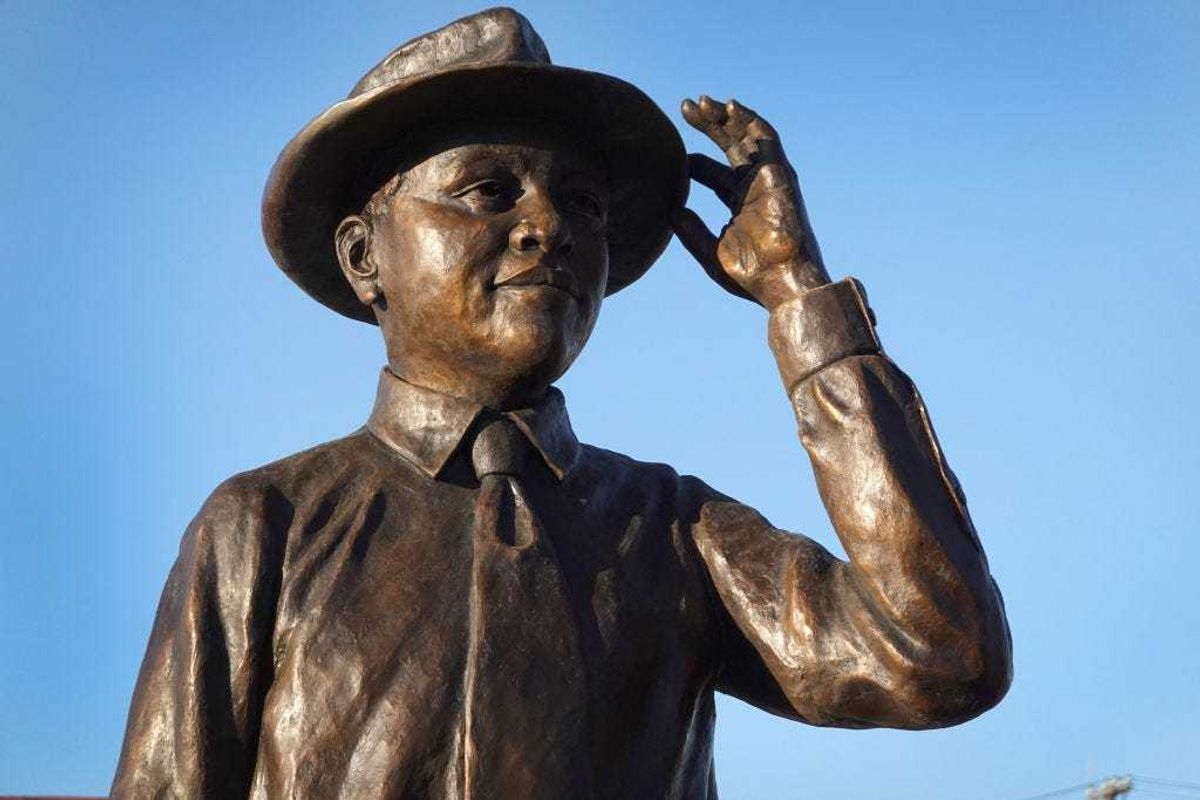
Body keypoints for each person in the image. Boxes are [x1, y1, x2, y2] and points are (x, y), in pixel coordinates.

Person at [112, 8, 1011, 799]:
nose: (548, 227)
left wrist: (800, 298)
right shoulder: (265, 526)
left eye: (581, 203)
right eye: (487, 191)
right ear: (363, 256)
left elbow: (940, 656)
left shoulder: (674, 529)